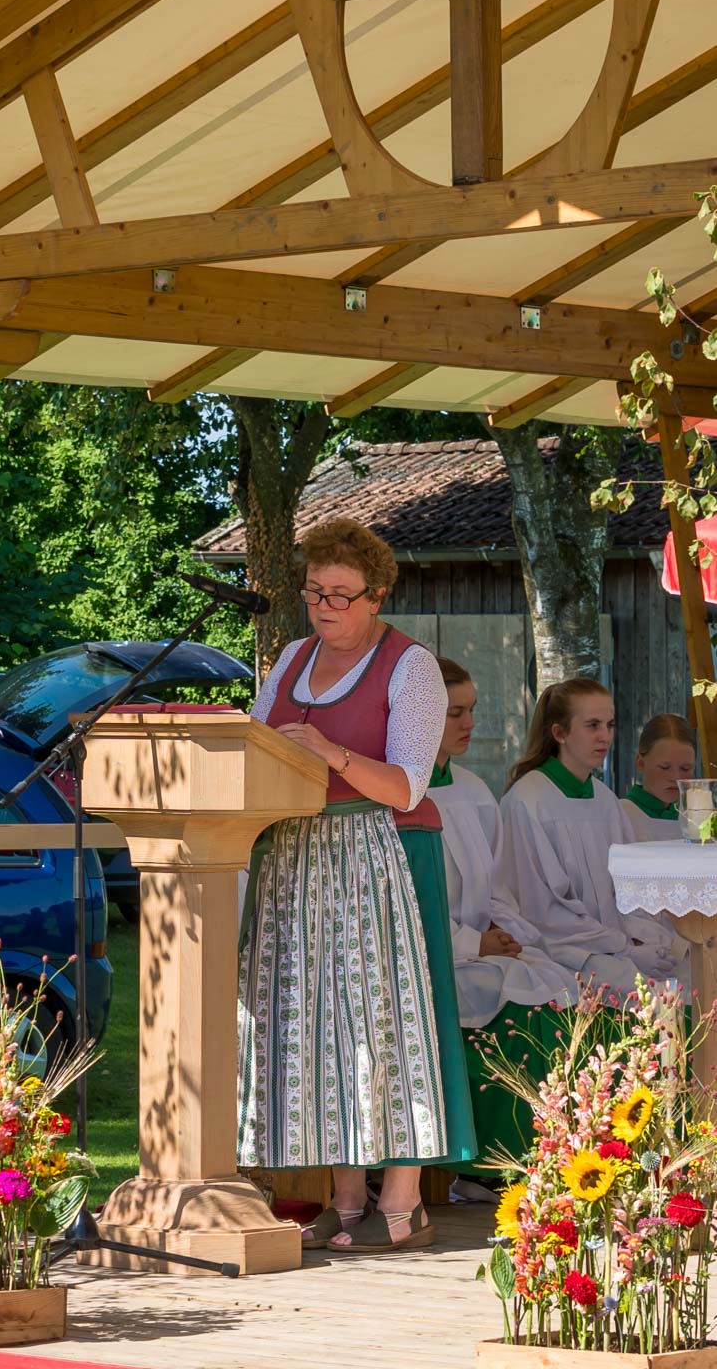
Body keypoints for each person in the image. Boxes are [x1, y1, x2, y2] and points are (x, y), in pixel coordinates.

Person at [237, 518, 476, 1257]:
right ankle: (344, 1196)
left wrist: (333, 752)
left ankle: (402, 1196)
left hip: (380, 851)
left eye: (341, 594)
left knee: (384, 1020)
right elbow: (250, 746)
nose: (325, 607)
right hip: (295, 854)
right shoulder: (290, 659)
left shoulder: (411, 667)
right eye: (314, 592)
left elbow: (407, 784)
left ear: (376, 596)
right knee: (316, 1025)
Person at [428, 658, 581, 1165]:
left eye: (471, 710)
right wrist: (474, 943)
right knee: (519, 1005)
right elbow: (404, 903)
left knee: (560, 983)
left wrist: (502, 928)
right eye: (455, 713)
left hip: (479, 946)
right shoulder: (399, 796)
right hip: (432, 956)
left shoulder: (472, 790)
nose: (470, 725)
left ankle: (552, 1154)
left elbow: (492, 885)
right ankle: (489, 1163)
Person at [499, 678, 687, 1000]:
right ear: (559, 733)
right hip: (564, 950)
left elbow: (627, 890)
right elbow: (542, 911)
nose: (605, 737)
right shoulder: (529, 800)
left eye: (610, 725)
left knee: (691, 965)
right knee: (660, 995)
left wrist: (645, 938)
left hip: (614, 942)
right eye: (592, 725)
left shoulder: (604, 800)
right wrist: (624, 947)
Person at [621, 713, 696, 841]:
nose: (676, 777)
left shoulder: (694, 821)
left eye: (685, 768)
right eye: (665, 767)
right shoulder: (619, 816)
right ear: (640, 763)